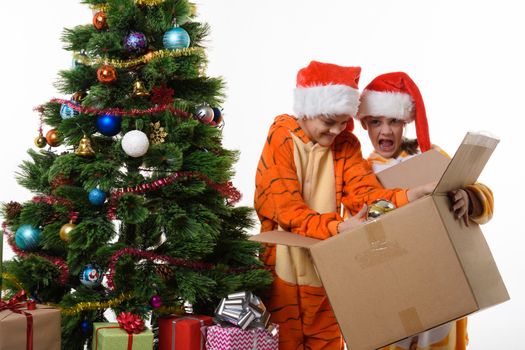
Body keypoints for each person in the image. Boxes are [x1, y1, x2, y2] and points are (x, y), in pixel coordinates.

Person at [254, 61, 436, 350]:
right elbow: (285, 209)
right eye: (329, 121)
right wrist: (339, 228)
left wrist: (411, 195)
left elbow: (364, 193)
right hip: (281, 273)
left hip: (325, 272)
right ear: (309, 110)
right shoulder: (282, 136)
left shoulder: (346, 144)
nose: (337, 130)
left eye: (343, 122)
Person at [357, 71, 494, 350]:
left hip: (438, 277)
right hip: (389, 280)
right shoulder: (359, 172)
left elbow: (483, 193)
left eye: (393, 121)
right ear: (365, 125)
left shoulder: (429, 156)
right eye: (376, 122)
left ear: (405, 122)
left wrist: (469, 198)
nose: (385, 131)